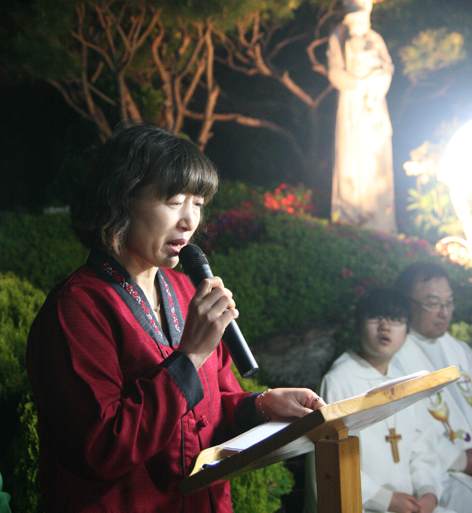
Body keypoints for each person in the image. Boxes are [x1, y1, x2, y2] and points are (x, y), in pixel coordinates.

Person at [26, 125, 325, 513]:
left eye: (197, 203)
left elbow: (215, 407)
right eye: (174, 201)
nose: (189, 221)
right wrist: (189, 358)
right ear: (122, 199)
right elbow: (101, 448)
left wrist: (263, 405)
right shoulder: (77, 308)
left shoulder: (186, 291)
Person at [305, 288, 455, 513]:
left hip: (411, 505)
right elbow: (328, 461)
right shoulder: (339, 381)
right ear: (357, 327)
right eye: (375, 317)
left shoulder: (406, 381)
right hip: (361, 505)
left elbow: (423, 446)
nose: (385, 326)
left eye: (395, 319)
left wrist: (428, 492)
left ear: (406, 332)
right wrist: (386, 500)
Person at [391, 262, 472, 511]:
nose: (444, 313)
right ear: (407, 304)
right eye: (433, 304)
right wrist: (461, 460)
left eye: (449, 303)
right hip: (441, 474)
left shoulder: (460, 349)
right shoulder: (394, 358)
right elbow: (412, 431)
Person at [327, 0, 396, 234]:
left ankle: (380, 220)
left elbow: (388, 67)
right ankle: (351, 217)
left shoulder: (375, 38)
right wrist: (359, 84)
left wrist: (378, 84)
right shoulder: (340, 35)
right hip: (353, 102)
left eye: (367, 6)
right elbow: (335, 71)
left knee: (376, 155)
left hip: (375, 102)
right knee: (352, 155)